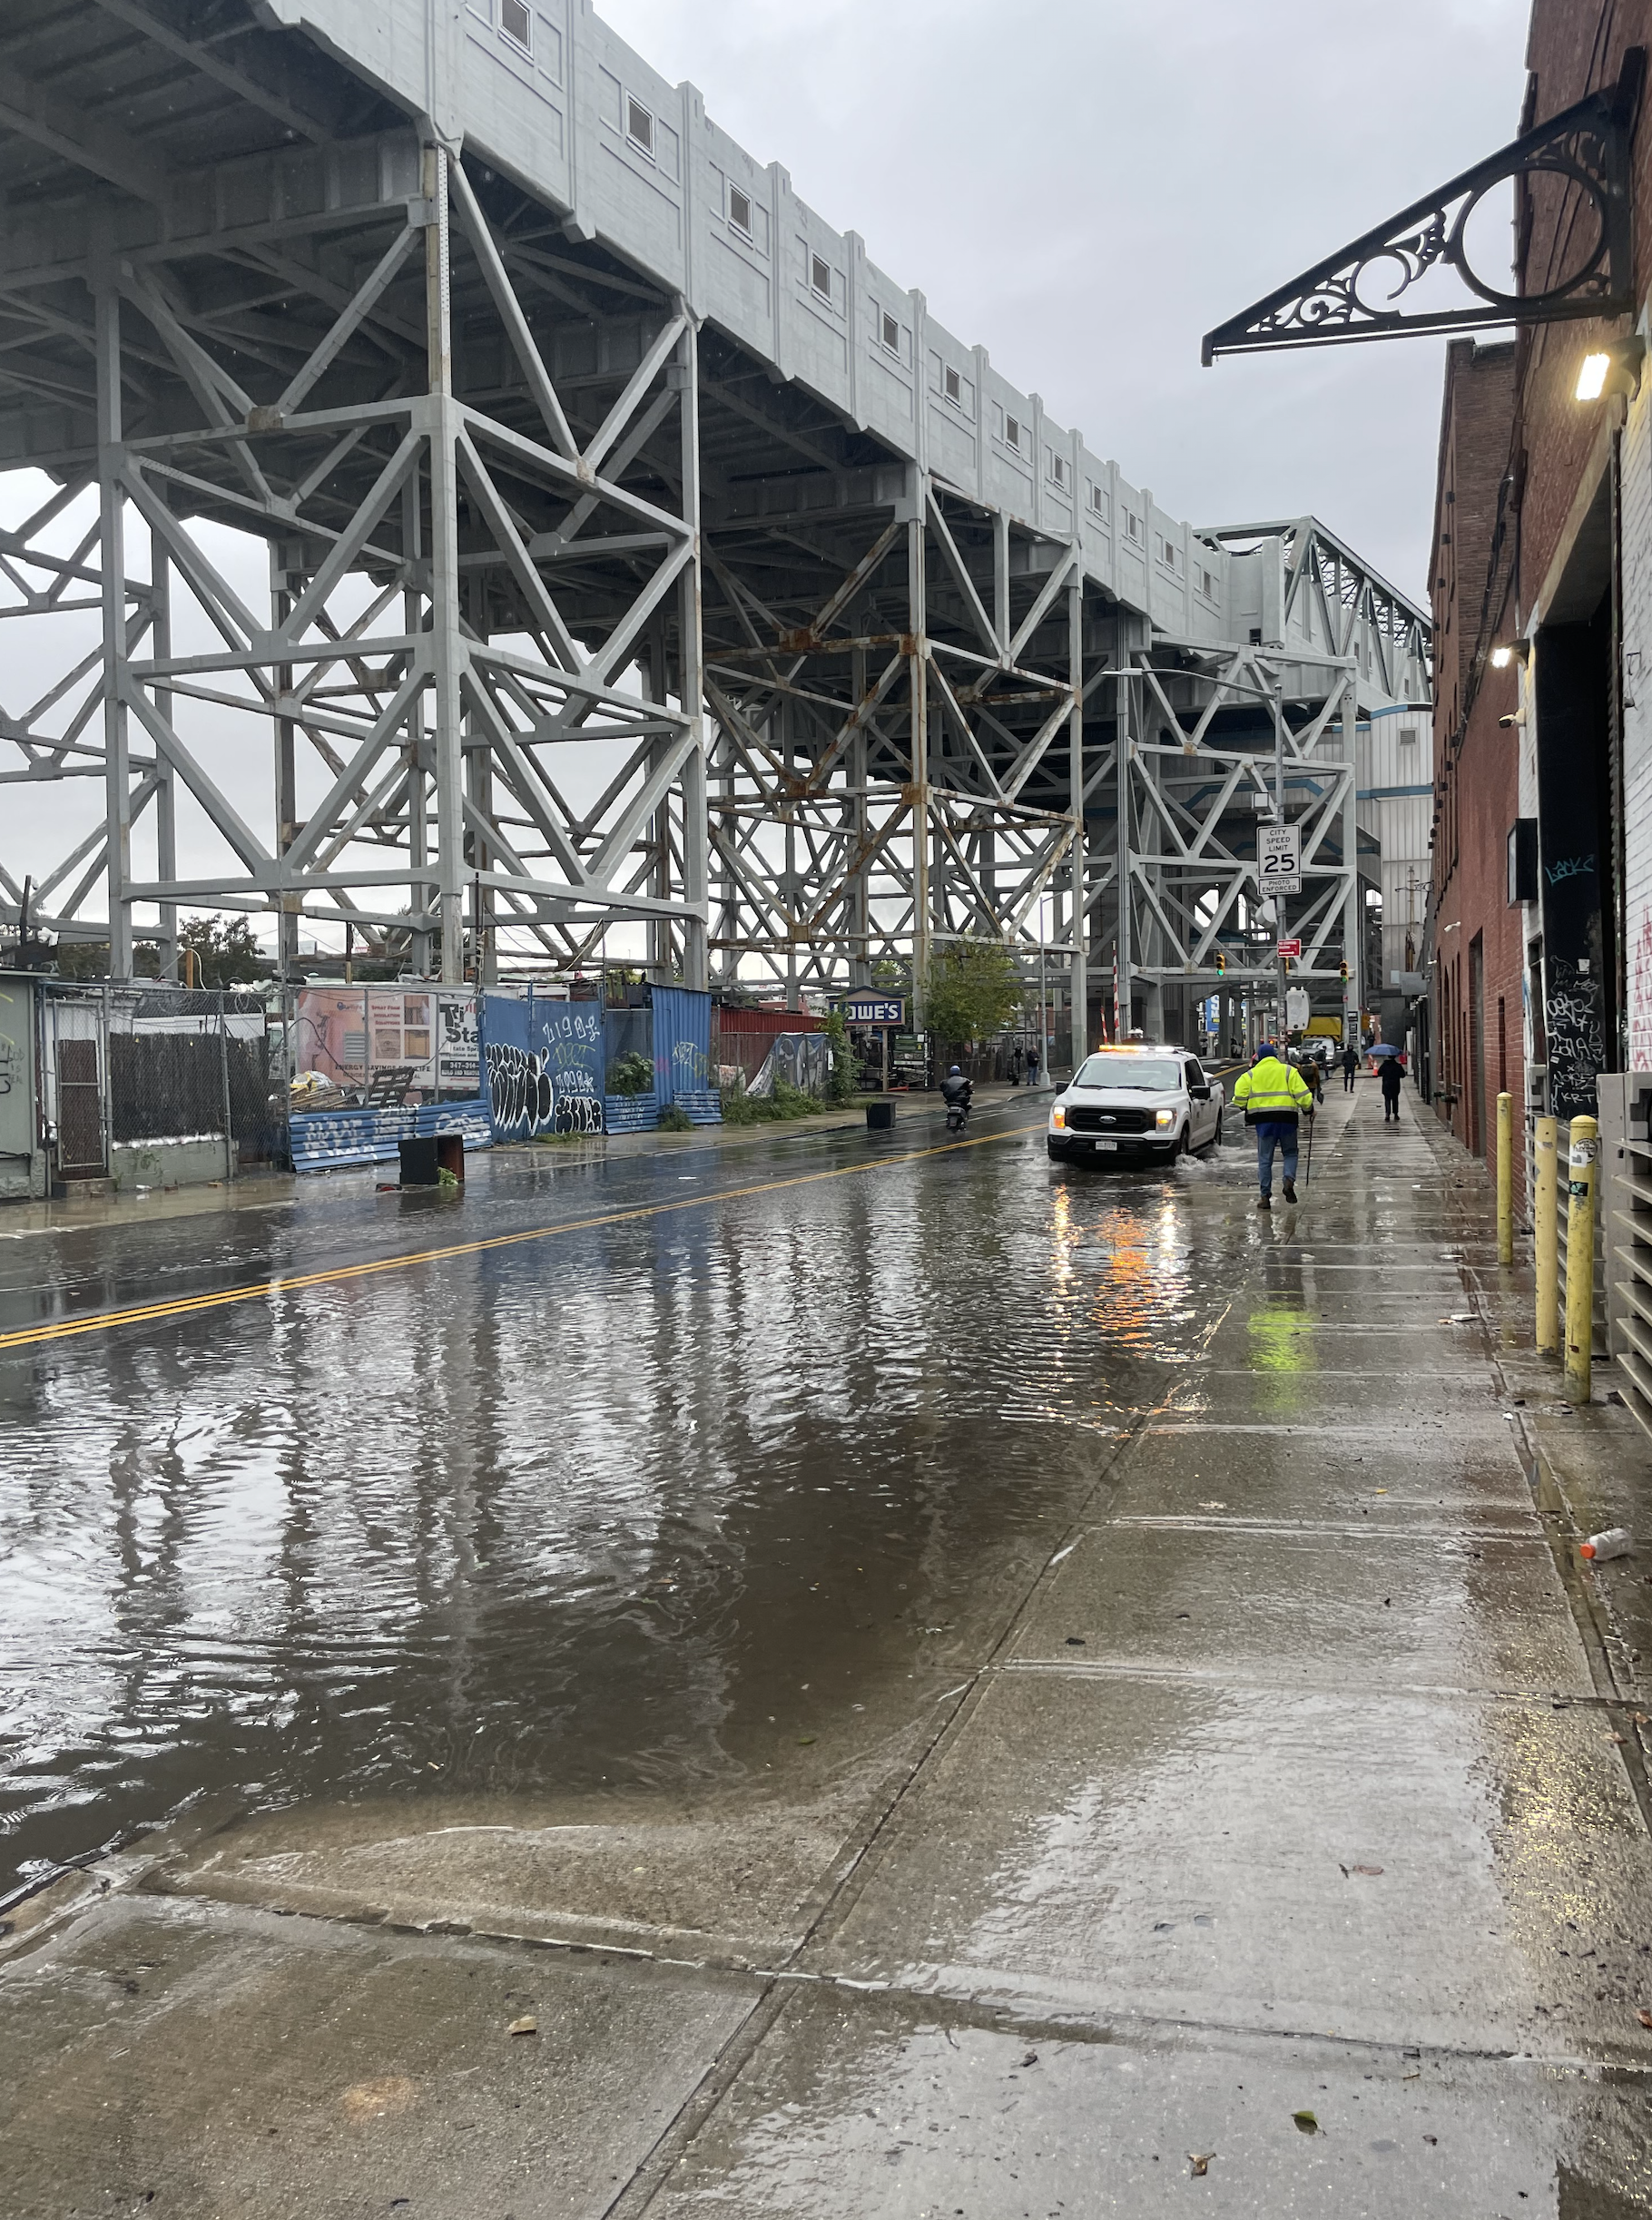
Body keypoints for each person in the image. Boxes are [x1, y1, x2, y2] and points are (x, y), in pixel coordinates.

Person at [1232, 1039, 1314, 1210]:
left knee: (1264, 1159)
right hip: (1287, 1120)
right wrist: (1309, 1110)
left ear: (1259, 1058)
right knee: (1290, 1153)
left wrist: (1246, 1106)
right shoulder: (1288, 1071)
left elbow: (1239, 1097)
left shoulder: (1251, 1075)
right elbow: (1304, 1097)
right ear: (1275, 1056)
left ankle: (1264, 1197)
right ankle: (1288, 1179)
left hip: (1264, 1123)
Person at [1380, 1050, 1406, 1125]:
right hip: (1395, 1085)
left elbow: (1379, 1073)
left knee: (1387, 1100)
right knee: (1395, 1099)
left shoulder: (1384, 1065)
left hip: (1386, 1084)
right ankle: (1396, 1114)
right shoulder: (1398, 1066)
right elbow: (1403, 1075)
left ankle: (1387, 1114)